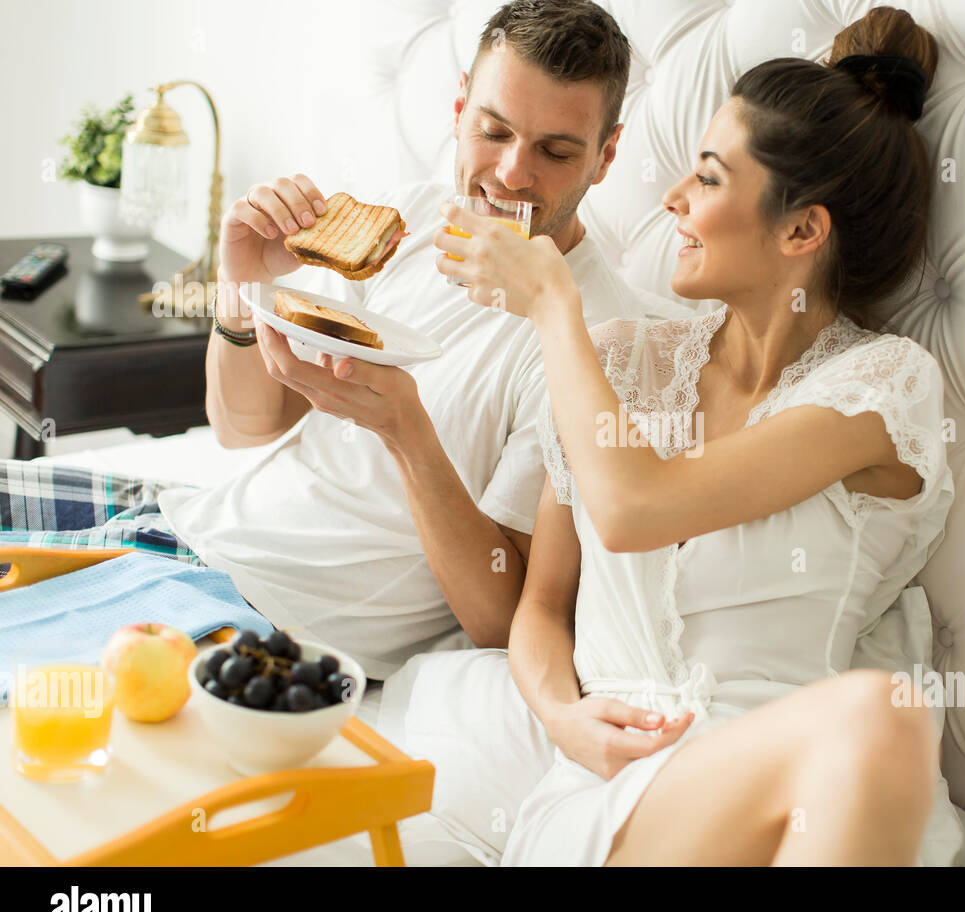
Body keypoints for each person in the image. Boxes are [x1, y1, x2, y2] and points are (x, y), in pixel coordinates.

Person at [380, 6, 965, 865]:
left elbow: (634, 509)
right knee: (879, 719)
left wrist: (552, 305)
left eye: (709, 179)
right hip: (611, 798)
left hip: (797, 791)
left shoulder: (883, 388)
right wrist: (560, 716)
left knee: (880, 720)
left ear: (802, 230)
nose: (672, 201)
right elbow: (540, 607)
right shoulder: (618, 363)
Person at [0, 0, 686, 679]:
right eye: (493, 131)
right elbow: (246, 426)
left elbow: (504, 618)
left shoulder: (596, 340)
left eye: (555, 151)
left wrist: (407, 432)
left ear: (606, 156)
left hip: (253, 607)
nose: (511, 173)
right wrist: (243, 288)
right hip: (184, 523)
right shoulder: (407, 222)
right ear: (457, 112)